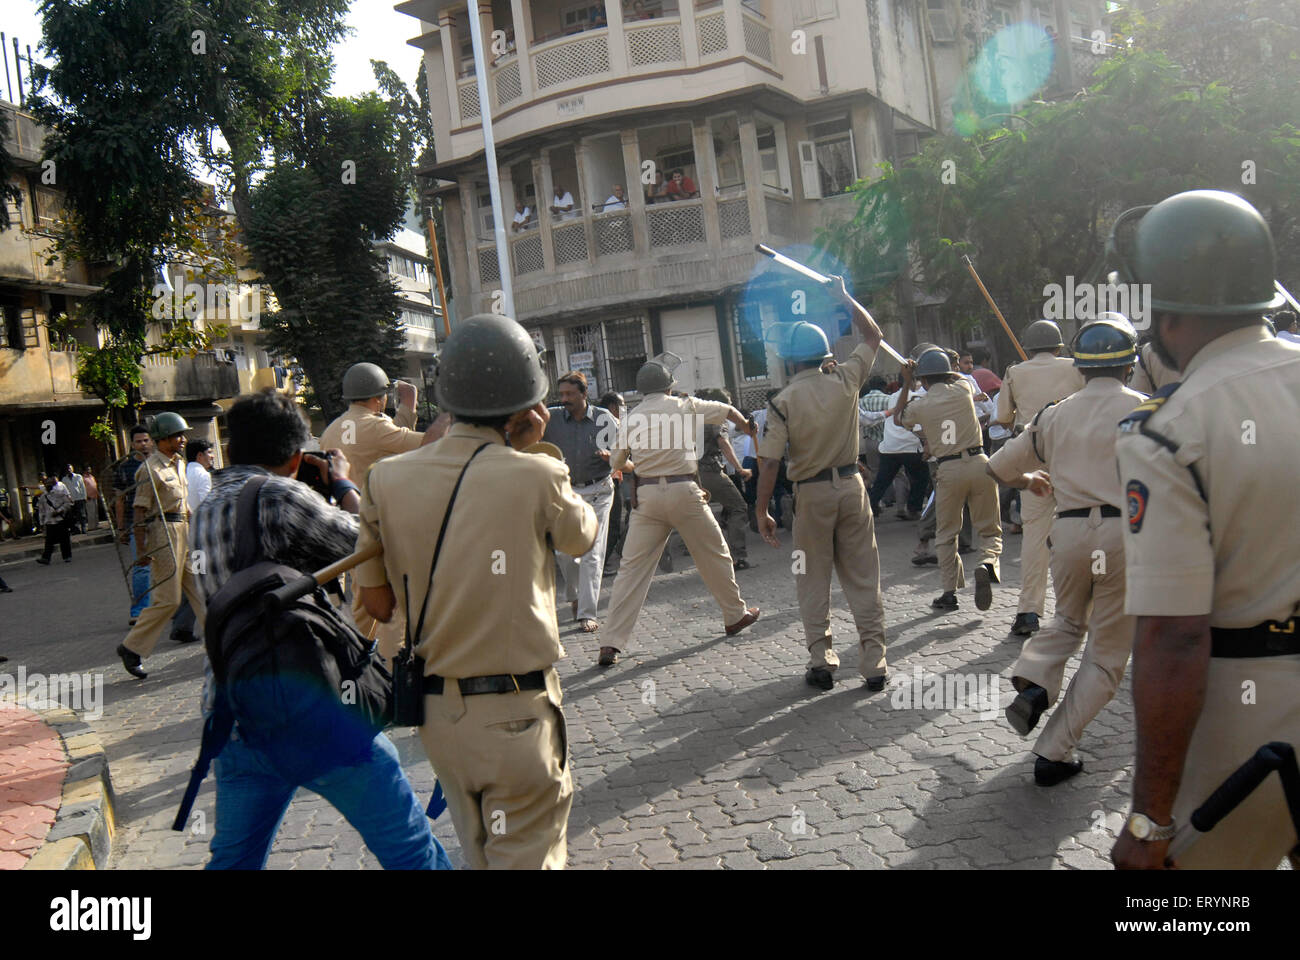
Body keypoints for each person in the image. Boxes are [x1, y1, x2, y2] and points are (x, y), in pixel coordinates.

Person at [357, 314, 597, 869]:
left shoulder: (384, 480)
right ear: (526, 406)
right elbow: (582, 537)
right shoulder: (535, 474)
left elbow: (378, 604)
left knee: (481, 857)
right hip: (515, 715)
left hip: (440, 721)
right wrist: (537, 452)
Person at [1108, 190, 1300, 871]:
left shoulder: (1169, 430)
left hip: (1247, 722)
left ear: (1164, 309)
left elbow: (1174, 633)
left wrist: (1149, 819)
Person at [192, 389, 449, 871]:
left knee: (233, 861)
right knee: (410, 850)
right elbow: (367, 543)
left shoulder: (206, 506)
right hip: (314, 710)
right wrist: (344, 483)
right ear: (294, 456)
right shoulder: (278, 495)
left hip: (235, 712)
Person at [988, 317, 1145, 786]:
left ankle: (1035, 681)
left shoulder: (1054, 414)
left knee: (1067, 621)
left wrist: (1028, 480)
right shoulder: (1149, 412)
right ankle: (1054, 752)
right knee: (1106, 654)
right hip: (1124, 535)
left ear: (1079, 365)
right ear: (1130, 364)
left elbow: (997, 467)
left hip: (1070, 531)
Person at [756, 299, 889, 692]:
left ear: (790, 362)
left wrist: (762, 510)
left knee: (810, 578)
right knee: (865, 578)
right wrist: (846, 297)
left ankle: (822, 661)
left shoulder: (781, 403)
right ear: (825, 356)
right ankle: (875, 662)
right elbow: (873, 335)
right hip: (852, 487)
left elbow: (768, 463)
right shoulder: (847, 377)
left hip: (809, 498)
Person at [600, 357, 761, 667]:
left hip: (647, 499)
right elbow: (726, 411)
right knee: (714, 553)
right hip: (685, 492)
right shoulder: (684, 405)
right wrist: (747, 427)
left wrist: (643, 465)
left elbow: (617, 464)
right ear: (669, 387)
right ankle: (734, 614)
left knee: (631, 571)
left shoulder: (631, 417)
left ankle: (610, 644)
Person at [320, 364, 439, 659]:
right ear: (380, 397)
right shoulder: (375, 426)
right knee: (394, 608)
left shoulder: (332, 430)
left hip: (352, 525)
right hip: (385, 528)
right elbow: (425, 443)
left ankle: (360, 660)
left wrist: (407, 410)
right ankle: (391, 670)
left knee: (364, 604)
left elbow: (389, 440)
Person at [994, 320, 1084, 637]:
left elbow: (1003, 418)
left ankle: (1028, 612)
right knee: (1086, 528)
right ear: (1059, 346)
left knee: (1035, 537)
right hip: (1075, 457)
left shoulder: (1015, 372)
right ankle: (1086, 609)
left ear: (1029, 348)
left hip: (1033, 459)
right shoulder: (1076, 366)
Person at [896, 349, 1002, 613]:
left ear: (925, 379)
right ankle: (987, 563)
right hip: (980, 463)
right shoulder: (964, 389)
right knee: (989, 529)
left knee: (946, 534)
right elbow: (958, 376)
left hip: (948, 469)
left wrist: (908, 382)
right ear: (948, 373)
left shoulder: (920, 404)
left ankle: (949, 592)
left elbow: (899, 418)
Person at [114, 413, 208, 679]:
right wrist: (142, 550)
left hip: (185, 532)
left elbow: (185, 506)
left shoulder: (180, 464)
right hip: (162, 534)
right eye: (178, 435)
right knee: (169, 599)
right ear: (164, 439)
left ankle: (222, 647)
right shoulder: (149, 468)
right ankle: (131, 648)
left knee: (203, 589)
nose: (183, 440)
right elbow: (140, 511)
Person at [544, 372, 617, 633]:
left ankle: (587, 613)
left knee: (591, 553)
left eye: (569, 395)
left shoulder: (603, 419)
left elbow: (623, 453)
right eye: (561, 394)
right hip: (566, 492)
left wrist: (613, 458)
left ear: (584, 395)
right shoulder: (550, 419)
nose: (564, 399)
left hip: (599, 491)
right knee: (563, 552)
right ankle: (574, 595)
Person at [697, 388, 751, 570]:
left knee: (701, 515)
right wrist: (739, 468)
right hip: (709, 470)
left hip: (688, 473)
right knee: (739, 507)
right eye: (728, 403)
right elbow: (723, 442)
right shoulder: (715, 418)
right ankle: (738, 557)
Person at [170, 438, 216, 646]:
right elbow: (207, 506)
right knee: (202, 580)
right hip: (201, 535)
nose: (212, 457)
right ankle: (187, 625)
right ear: (200, 455)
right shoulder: (203, 475)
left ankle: (183, 625)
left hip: (185, 535)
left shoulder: (183, 471)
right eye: (209, 453)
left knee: (193, 580)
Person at [112, 424, 154, 623]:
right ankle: (139, 611)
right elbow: (119, 500)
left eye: (146, 440)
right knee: (141, 568)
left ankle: (168, 607)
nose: (143, 444)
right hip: (136, 524)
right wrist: (121, 528)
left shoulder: (159, 462)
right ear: (132, 444)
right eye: (139, 441)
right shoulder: (124, 468)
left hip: (162, 522)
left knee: (170, 566)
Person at [599, 392, 628, 573]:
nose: (624, 409)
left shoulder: (598, 422)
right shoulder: (609, 424)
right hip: (609, 479)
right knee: (612, 524)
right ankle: (599, 564)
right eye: (622, 405)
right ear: (612, 407)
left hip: (609, 478)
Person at [36, 476, 74, 564]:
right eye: (46, 484)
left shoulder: (59, 494)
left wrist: (59, 511)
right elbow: (41, 511)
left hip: (60, 519)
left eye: (49, 484)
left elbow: (68, 503)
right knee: (49, 541)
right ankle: (46, 558)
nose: (48, 486)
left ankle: (67, 556)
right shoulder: (43, 497)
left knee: (64, 539)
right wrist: (41, 523)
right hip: (49, 521)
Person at [61, 465, 87, 535]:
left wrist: (84, 497)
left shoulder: (78, 476)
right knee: (73, 516)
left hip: (79, 498)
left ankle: (84, 528)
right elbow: (64, 490)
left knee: (82, 514)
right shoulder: (64, 479)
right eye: (67, 469)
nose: (69, 470)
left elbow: (82, 487)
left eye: (70, 468)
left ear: (72, 469)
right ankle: (76, 529)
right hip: (71, 499)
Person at [83, 466, 100, 531]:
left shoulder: (92, 477)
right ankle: (91, 527)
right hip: (89, 497)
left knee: (96, 512)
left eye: (90, 469)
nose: (89, 471)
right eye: (87, 469)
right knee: (91, 512)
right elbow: (83, 488)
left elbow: (95, 486)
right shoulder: (83, 478)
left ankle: (96, 525)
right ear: (85, 470)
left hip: (94, 496)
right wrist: (86, 496)